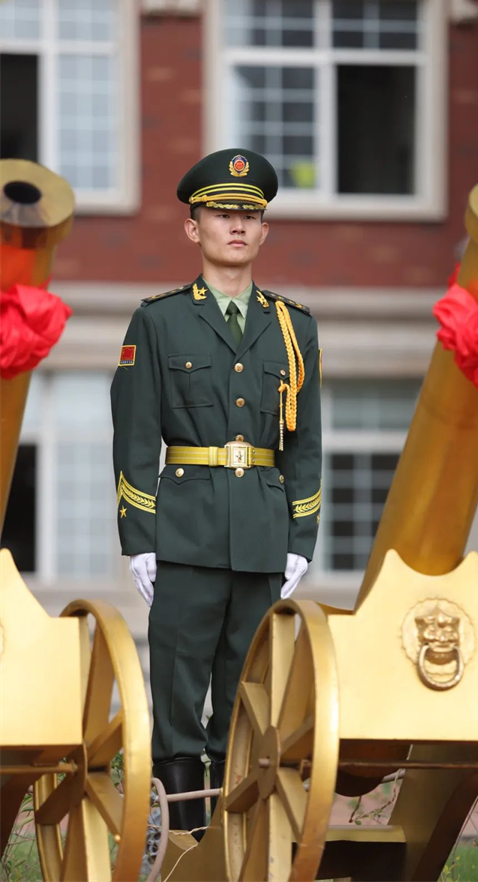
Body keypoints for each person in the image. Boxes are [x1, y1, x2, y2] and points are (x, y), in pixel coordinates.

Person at [110, 148, 322, 837]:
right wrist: (140, 539)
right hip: (185, 532)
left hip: (262, 534)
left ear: (264, 230)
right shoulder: (159, 321)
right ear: (192, 227)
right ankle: (181, 839)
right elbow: (135, 437)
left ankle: (232, 843)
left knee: (245, 697)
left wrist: (300, 537)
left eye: (249, 216)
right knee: (177, 692)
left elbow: (306, 444)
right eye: (222, 213)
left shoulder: (294, 325)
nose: (237, 225)